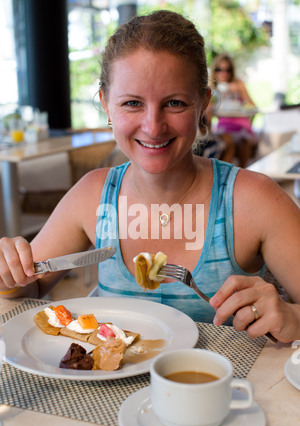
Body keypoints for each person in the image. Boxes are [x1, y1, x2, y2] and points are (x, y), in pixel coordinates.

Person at [0, 10, 300, 343]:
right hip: (107, 392)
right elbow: (29, 285)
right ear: (106, 105)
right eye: (132, 103)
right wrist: (10, 271)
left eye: (174, 103)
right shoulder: (92, 195)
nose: (153, 127)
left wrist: (291, 314)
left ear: (203, 105)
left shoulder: (254, 200)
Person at [206, 53, 258, 168]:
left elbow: (253, 107)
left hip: (242, 126)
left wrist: (239, 93)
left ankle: (244, 174)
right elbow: (208, 111)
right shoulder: (213, 89)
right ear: (215, 70)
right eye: (219, 69)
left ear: (231, 71)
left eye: (227, 70)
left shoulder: (238, 84)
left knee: (244, 142)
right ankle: (226, 178)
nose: (223, 73)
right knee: (228, 141)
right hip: (223, 126)